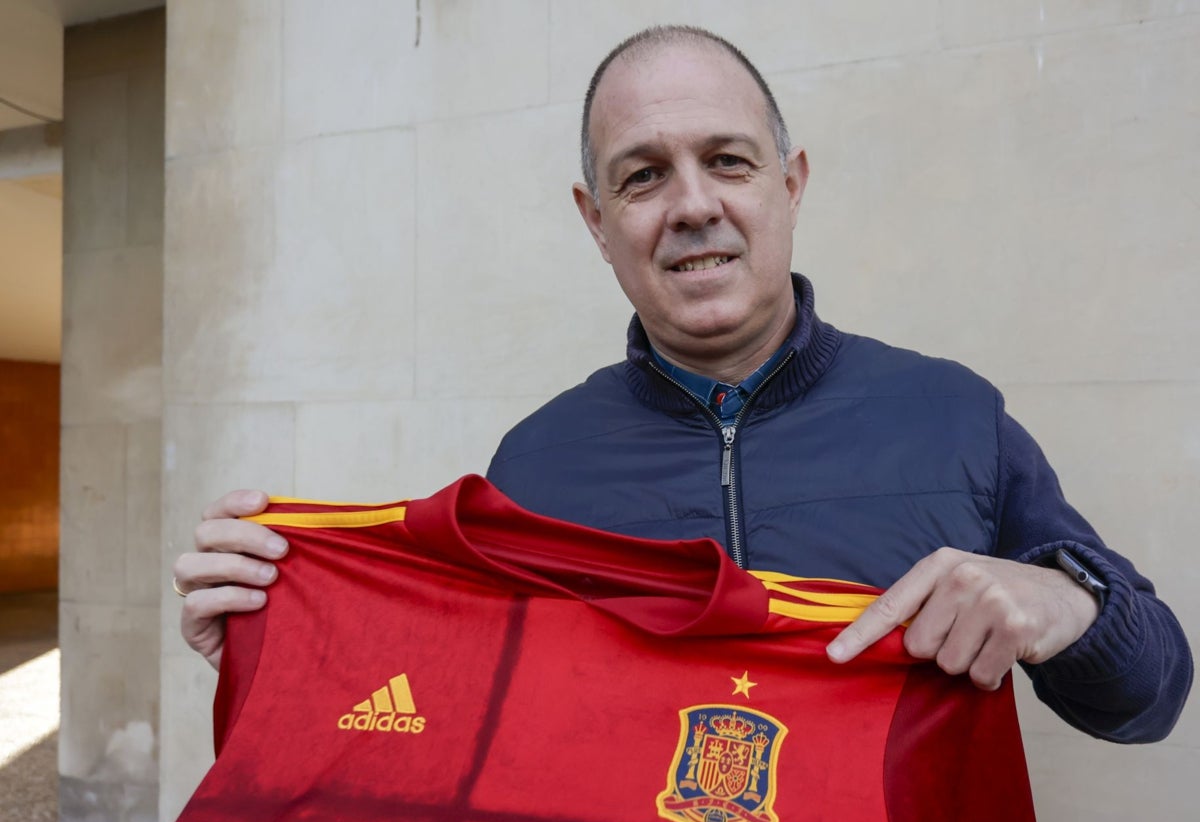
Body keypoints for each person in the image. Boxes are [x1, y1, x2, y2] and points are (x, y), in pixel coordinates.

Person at [174, 26, 1191, 743]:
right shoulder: (533, 464)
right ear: (595, 219)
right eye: (644, 174)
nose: (693, 205)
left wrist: (1068, 604)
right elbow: (462, 721)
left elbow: (1150, 698)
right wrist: (287, 655)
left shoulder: (954, 413)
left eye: (728, 160)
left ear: (790, 184)